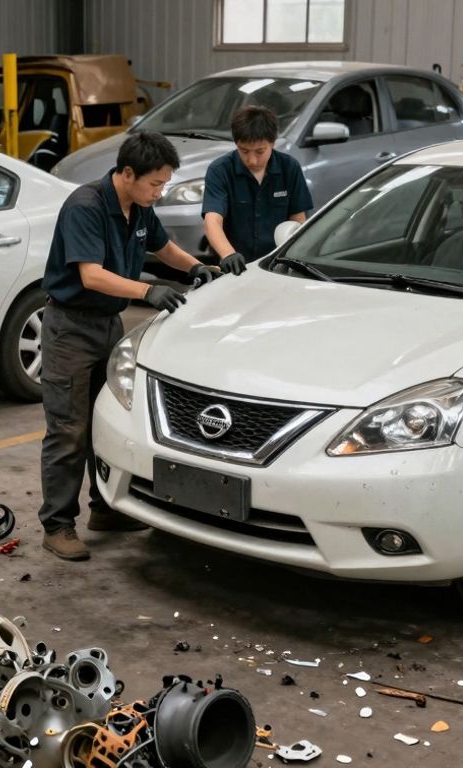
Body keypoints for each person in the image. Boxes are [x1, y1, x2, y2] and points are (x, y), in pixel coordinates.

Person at [38, 131, 222, 561]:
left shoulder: (138, 208)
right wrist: (148, 290)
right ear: (126, 173)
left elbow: (165, 248)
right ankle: (57, 525)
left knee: (106, 421)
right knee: (69, 430)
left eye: (163, 185)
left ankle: (105, 509)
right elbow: (91, 275)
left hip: (107, 324)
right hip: (70, 328)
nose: (159, 193)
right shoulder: (86, 207)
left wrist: (198, 268)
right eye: (155, 184)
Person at [201, 106, 314, 267]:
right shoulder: (220, 170)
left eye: (260, 151)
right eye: (244, 151)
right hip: (233, 265)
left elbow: (297, 219)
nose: (252, 160)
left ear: (273, 143)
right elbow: (212, 220)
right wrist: (228, 254)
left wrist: (291, 258)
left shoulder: (289, 168)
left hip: (276, 264)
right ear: (236, 144)